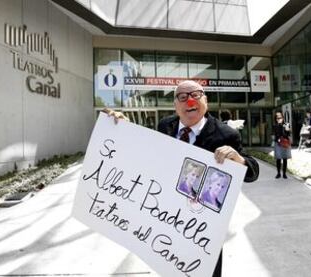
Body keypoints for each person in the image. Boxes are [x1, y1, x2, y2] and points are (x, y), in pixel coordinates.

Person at [106, 80, 259, 277]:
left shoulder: (226, 134)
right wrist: (123, 130)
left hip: (203, 228)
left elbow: (252, 172)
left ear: (206, 100)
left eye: (195, 95)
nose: (189, 101)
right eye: (183, 97)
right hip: (166, 219)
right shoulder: (165, 126)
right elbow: (148, 157)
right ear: (175, 105)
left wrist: (239, 160)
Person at [273, 111, 291, 179]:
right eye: (277, 118)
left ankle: (284, 174)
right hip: (278, 143)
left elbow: (288, 134)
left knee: (285, 158)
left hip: (285, 143)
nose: (279, 118)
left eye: (280, 117)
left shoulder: (286, 124)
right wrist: (279, 125)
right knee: (278, 159)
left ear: (283, 117)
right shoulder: (275, 125)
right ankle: (278, 173)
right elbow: (276, 134)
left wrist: (287, 129)